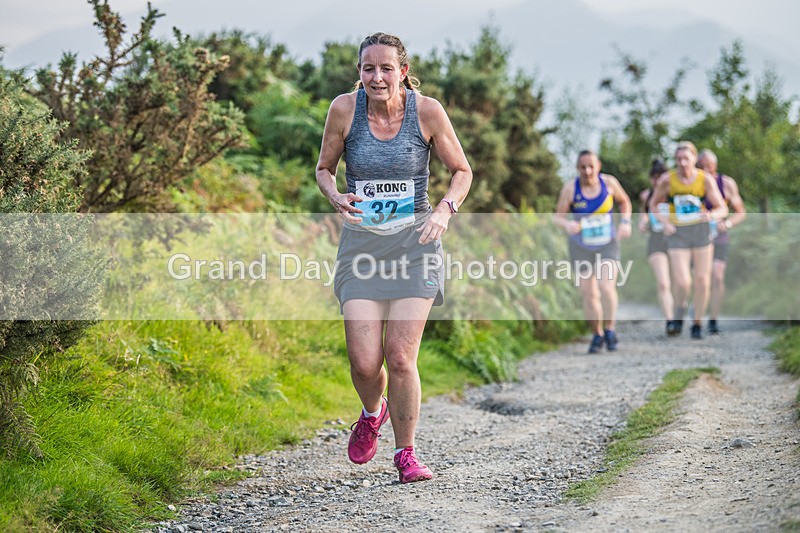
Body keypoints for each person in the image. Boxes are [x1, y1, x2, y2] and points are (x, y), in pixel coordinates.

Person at [315, 32, 472, 484]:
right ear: (359, 72)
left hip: (414, 247)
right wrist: (335, 196)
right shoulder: (344, 110)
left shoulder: (427, 112)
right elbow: (324, 169)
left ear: (403, 71)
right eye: (369, 69)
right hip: (361, 249)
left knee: (400, 356)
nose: (378, 77)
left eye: (387, 68)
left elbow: (462, 171)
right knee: (365, 364)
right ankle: (372, 413)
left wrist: (444, 210)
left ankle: (407, 454)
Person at [554, 150, 633, 353]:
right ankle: (597, 334)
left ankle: (610, 329)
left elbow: (624, 201)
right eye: (583, 167)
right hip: (580, 246)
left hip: (608, 243)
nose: (587, 171)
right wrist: (567, 225)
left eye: (591, 166)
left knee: (606, 286)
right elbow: (558, 217)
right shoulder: (571, 188)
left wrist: (625, 222)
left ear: (598, 166)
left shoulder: (609, 183)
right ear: (577, 168)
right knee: (588, 294)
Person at [648, 141, 728, 339]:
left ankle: (697, 323)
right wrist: (665, 222)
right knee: (683, 281)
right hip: (678, 233)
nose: (682, 163)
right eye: (678, 159)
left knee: (702, 280)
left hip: (700, 231)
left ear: (694, 159)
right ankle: (680, 308)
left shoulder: (704, 179)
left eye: (686, 158)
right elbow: (653, 205)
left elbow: (722, 208)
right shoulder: (668, 180)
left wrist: (712, 215)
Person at [697, 149, 746, 335]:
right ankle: (697, 311)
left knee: (717, 276)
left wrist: (727, 223)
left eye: (708, 166)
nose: (705, 170)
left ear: (715, 166)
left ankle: (713, 318)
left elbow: (741, 212)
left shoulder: (726, 184)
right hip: (696, 238)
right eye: (701, 166)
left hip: (719, 237)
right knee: (700, 279)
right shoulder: (692, 183)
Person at [637, 159, 675, 335]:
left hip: (677, 241)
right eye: (654, 177)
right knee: (663, 283)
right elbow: (644, 215)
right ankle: (670, 321)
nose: (657, 181)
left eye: (660, 177)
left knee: (680, 282)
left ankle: (680, 309)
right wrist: (643, 223)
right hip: (656, 241)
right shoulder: (646, 196)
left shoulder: (675, 193)